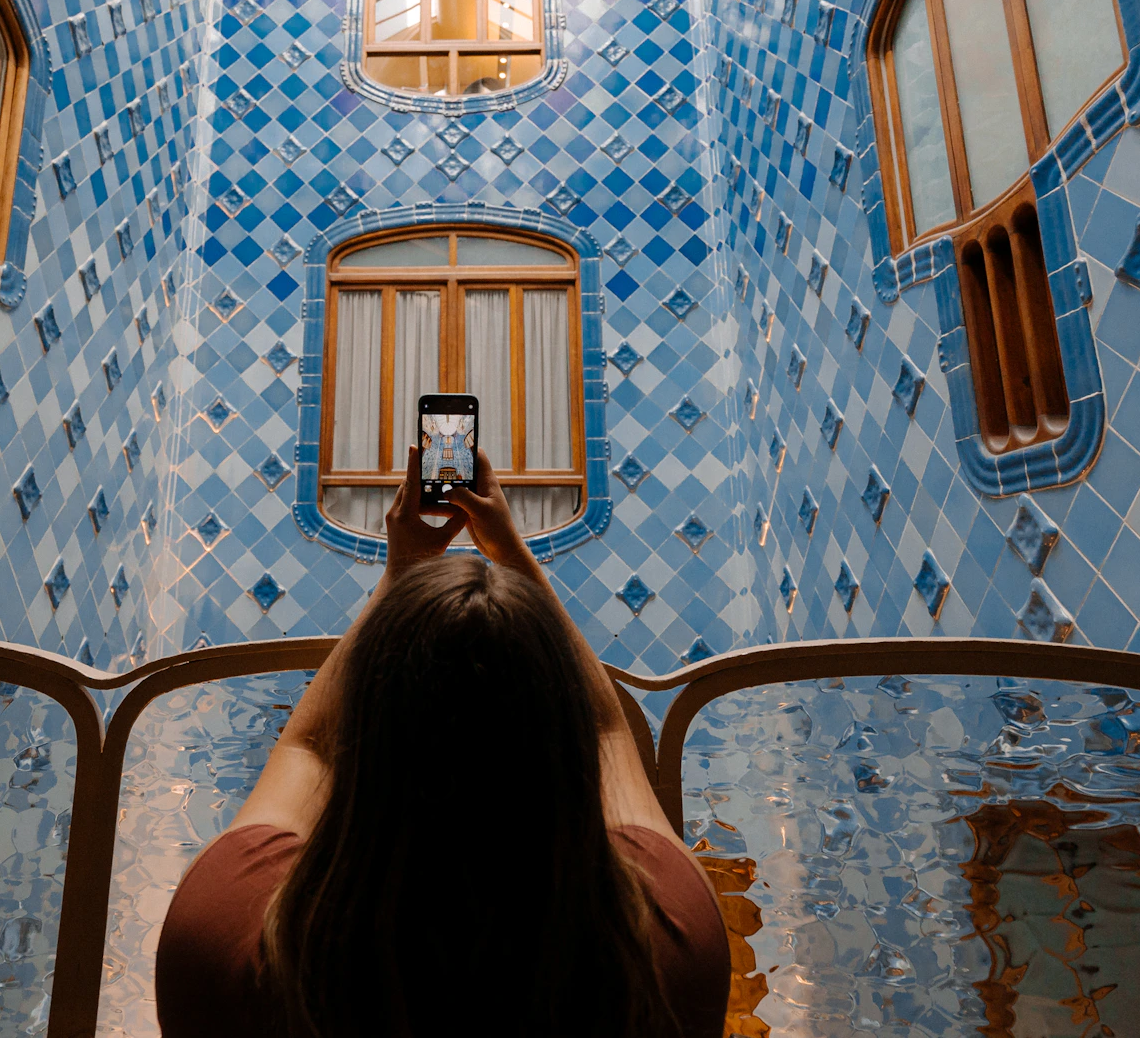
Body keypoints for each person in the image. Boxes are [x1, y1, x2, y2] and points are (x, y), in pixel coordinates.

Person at [155, 445, 729, 1038]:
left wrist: (400, 573)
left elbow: (311, 747)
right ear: (563, 745)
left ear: (368, 741)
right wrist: (509, 551)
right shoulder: (667, 938)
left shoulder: (228, 932)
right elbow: (608, 730)